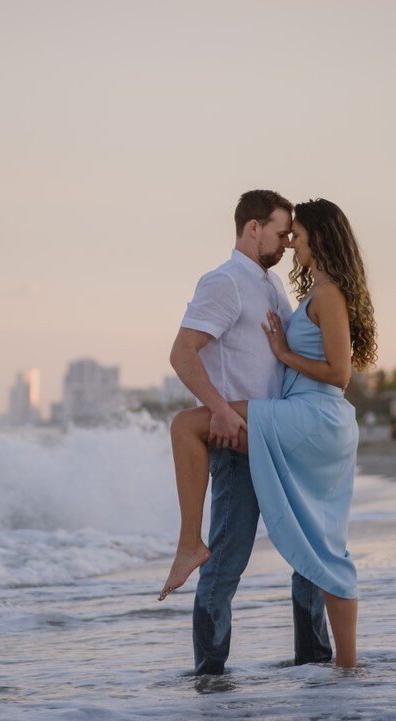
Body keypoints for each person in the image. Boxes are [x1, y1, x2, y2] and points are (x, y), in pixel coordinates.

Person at [160, 198, 377, 670]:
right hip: (242, 435)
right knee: (228, 564)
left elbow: (331, 368)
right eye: (283, 233)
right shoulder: (225, 282)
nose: (288, 241)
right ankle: (211, 679)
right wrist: (218, 409)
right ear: (253, 227)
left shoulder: (278, 286)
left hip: (289, 429)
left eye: (294, 234)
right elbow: (183, 353)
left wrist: (282, 351)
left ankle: (318, 668)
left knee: (311, 556)